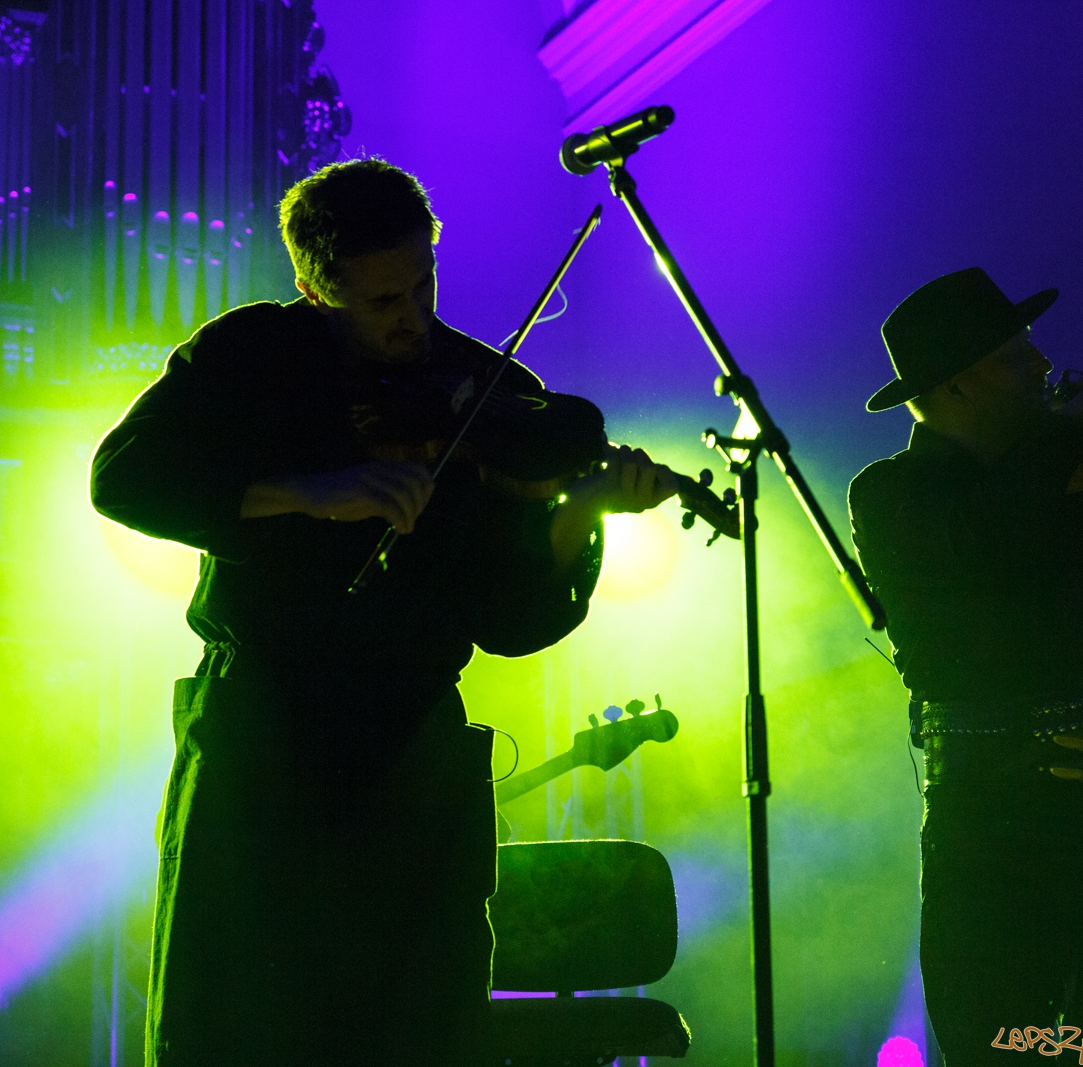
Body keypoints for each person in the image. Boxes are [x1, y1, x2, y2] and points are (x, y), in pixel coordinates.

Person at [91, 158, 677, 1066]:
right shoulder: (252, 354)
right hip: (261, 732)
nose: (415, 320)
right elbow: (122, 478)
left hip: (415, 748)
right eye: (381, 303)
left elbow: (513, 622)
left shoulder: (488, 392)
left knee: (420, 1021)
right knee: (237, 1015)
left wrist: (573, 523)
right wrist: (304, 492)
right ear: (314, 288)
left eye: (422, 284)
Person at [848, 267, 1083, 1064]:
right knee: (1005, 1052)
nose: (1043, 366)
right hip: (993, 853)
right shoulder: (894, 496)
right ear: (958, 384)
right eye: (1016, 354)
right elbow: (987, 537)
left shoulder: (1077, 476)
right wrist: (1070, 435)